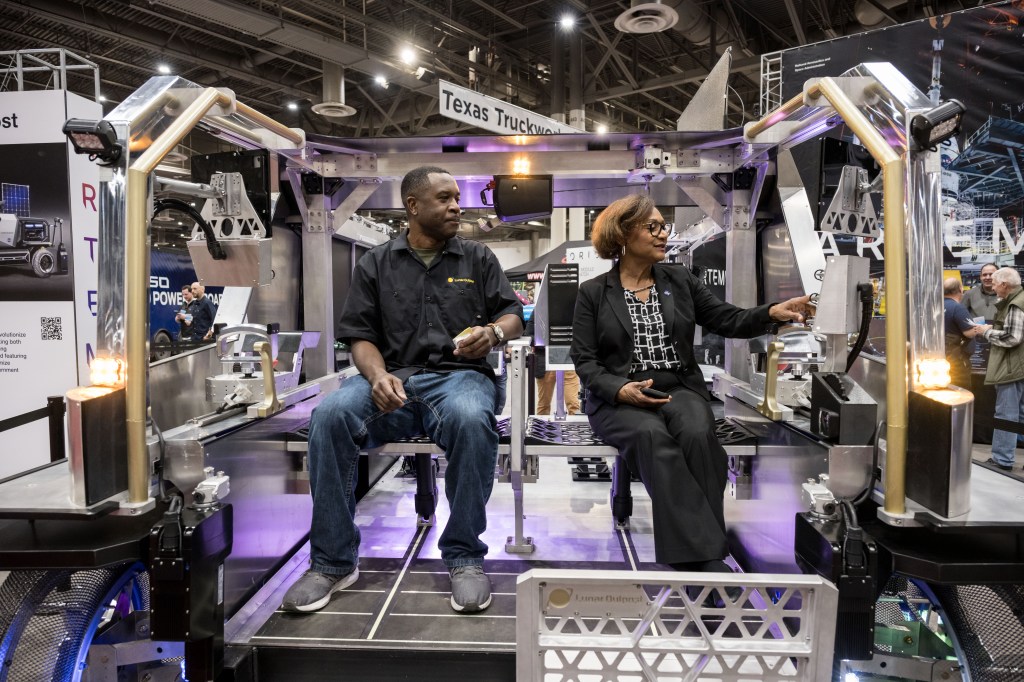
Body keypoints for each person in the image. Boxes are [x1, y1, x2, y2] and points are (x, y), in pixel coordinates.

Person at [281, 166, 524, 614]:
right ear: (413, 206)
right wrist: (376, 377)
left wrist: (493, 333)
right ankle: (332, 562)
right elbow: (360, 336)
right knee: (329, 416)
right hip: (391, 377)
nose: (457, 206)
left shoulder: (478, 258)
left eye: (457, 197)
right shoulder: (375, 263)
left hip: (460, 378)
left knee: (472, 420)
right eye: (445, 198)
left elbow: (512, 313)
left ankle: (465, 556)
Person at [569, 194, 812, 572]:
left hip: (678, 387)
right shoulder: (594, 293)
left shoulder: (680, 280)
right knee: (652, 438)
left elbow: (727, 319)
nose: (663, 234)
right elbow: (585, 360)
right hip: (619, 397)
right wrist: (619, 389)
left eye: (663, 226)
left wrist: (771, 313)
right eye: (652, 227)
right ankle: (708, 557)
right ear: (622, 234)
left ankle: (697, 555)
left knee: (699, 436)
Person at [975, 267, 1024, 472]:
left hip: (1011, 368)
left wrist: (986, 332)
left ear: (1004, 285)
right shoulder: (1016, 300)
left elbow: (1013, 337)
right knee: (1019, 414)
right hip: (1018, 367)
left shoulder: (1015, 304)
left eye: (995, 283)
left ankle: (1002, 459)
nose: (992, 286)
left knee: (1006, 414)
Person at [943, 277, 981, 389]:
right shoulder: (958, 308)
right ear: (960, 289)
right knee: (959, 391)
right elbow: (969, 333)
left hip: (939, 358)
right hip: (956, 361)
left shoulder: (936, 307)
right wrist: (980, 328)